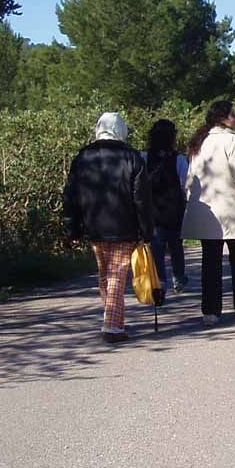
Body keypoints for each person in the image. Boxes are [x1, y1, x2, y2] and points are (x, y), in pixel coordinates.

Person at [63, 112, 152, 344]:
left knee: (106, 274)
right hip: (125, 226)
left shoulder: (83, 156)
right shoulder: (132, 157)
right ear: (121, 129)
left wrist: (72, 229)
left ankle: (112, 317)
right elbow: (141, 197)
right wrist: (146, 229)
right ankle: (112, 326)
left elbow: (70, 195)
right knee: (116, 276)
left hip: (93, 225)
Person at [182, 101, 235, 326]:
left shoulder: (200, 141)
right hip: (230, 209)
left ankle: (210, 311)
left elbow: (189, 178)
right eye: (233, 114)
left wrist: (191, 203)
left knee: (210, 262)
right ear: (223, 118)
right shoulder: (231, 140)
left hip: (206, 211)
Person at [143, 119, 189, 301]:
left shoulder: (144, 158)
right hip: (174, 211)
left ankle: (160, 282)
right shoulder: (178, 159)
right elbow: (187, 183)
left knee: (157, 248)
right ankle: (178, 277)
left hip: (152, 211)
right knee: (176, 245)